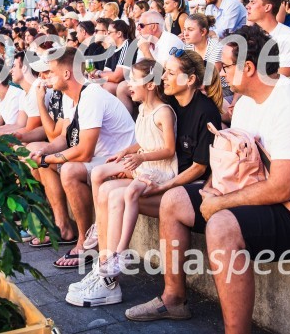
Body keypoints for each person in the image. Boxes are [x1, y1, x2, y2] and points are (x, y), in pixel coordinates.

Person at [131, 26, 290, 327]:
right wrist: (211, 192)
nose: (220, 71)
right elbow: (235, 167)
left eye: (227, 65)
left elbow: (282, 188)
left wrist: (220, 204)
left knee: (221, 224)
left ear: (248, 67)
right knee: (175, 200)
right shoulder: (246, 103)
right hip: (266, 194)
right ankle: (173, 299)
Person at [81, 50, 222, 315]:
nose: (163, 77)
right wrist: (133, 155)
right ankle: (106, 270)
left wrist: (163, 185)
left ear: (190, 80)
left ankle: (114, 272)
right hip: (162, 176)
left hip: (187, 187)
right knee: (109, 189)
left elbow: (200, 168)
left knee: (123, 194)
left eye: (169, 73)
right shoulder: (170, 99)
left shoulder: (206, 111)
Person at [66, 59, 177, 307]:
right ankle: (99, 243)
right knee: (99, 175)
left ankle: (116, 258)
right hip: (142, 162)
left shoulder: (164, 112)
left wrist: (139, 158)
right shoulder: (144, 111)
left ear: (150, 84)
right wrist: (126, 152)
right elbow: (142, 140)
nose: (128, 85)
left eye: (134, 80)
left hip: (157, 169)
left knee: (121, 193)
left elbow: (168, 149)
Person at [27, 47, 136, 268]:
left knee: (68, 169)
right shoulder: (74, 97)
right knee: (43, 155)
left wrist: (49, 159)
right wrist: (44, 153)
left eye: (50, 72)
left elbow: (84, 151)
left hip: (121, 162)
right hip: (103, 159)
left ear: (67, 74)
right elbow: (66, 138)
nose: (45, 77)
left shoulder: (91, 96)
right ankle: (63, 226)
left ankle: (85, 244)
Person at [245, 0, 290, 82]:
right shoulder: (252, 35)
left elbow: (281, 81)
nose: (247, 6)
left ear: (267, 7)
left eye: (253, 2)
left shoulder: (289, 38)